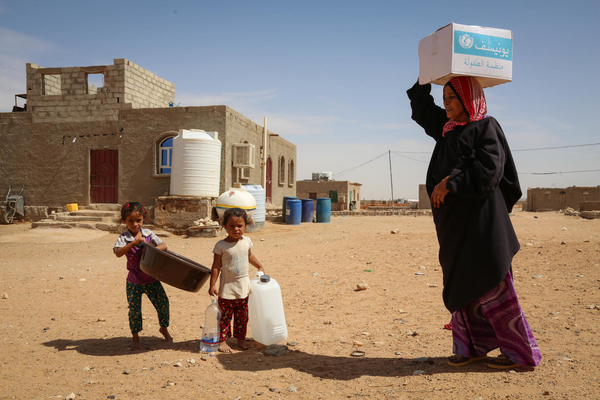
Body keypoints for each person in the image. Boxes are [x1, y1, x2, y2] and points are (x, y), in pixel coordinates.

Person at [407, 76, 541, 369]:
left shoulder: (486, 127)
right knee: (461, 283)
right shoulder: (446, 129)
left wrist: (450, 182)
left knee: (493, 281)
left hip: (483, 223)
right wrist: (423, 79)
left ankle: (520, 353)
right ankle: (471, 348)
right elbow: (421, 108)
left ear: (469, 99)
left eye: (452, 98)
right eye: (444, 98)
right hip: (454, 226)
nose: (446, 104)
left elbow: (488, 172)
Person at [113, 202, 172, 350]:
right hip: (134, 282)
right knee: (134, 311)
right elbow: (118, 253)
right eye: (130, 221)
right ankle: (135, 337)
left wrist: (151, 250)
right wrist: (133, 243)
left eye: (138, 220)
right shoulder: (124, 238)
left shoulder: (148, 234)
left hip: (151, 279)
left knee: (163, 304)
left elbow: (164, 246)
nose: (135, 224)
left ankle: (163, 328)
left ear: (143, 219)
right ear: (124, 221)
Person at [209, 208, 265, 353]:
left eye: (239, 226)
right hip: (227, 287)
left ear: (245, 225)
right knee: (225, 316)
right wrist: (212, 284)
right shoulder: (221, 246)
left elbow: (249, 256)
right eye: (231, 226)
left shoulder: (247, 241)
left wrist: (259, 265)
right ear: (224, 226)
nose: (236, 229)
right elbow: (216, 266)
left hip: (243, 286)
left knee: (242, 315)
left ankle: (240, 339)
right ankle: (222, 341)